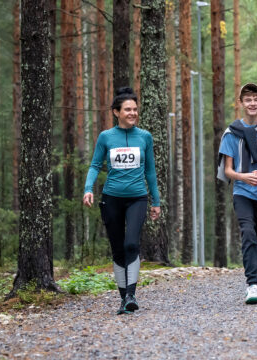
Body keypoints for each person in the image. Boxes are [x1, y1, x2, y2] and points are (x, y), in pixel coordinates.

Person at [83, 87, 161, 315]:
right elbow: (95, 164)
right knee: (117, 249)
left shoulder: (145, 137)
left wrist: (155, 201)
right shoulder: (106, 137)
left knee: (131, 245)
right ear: (116, 112)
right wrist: (89, 189)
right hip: (112, 199)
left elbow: (150, 172)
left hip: (137, 198)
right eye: (128, 109)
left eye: (135, 109)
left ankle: (131, 294)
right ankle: (123, 299)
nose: (133, 113)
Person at [216, 83, 257, 304]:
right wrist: (243, 177)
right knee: (248, 233)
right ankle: (251, 283)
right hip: (243, 192)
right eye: (248, 99)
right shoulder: (231, 133)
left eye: (256, 99)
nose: (252, 103)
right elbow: (228, 170)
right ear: (241, 103)